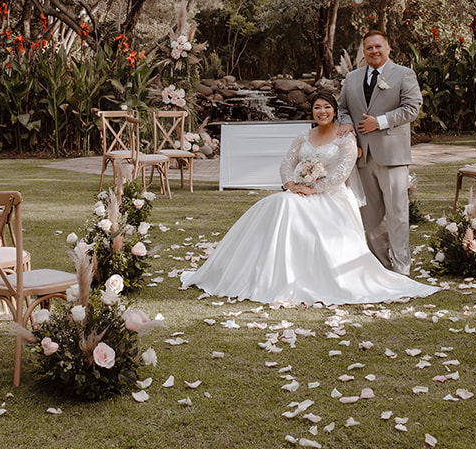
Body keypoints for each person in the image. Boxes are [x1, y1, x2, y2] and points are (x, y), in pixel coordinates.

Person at [180, 92, 436, 305]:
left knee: (288, 206)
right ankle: (263, 273)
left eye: (326, 107)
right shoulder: (303, 136)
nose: (321, 111)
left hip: (330, 196)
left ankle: (294, 275)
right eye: (317, 107)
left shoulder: (345, 137)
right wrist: (291, 183)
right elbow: (287, 163)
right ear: (312, 112)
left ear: (334, 111)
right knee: (277, 203)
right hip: (298, 192)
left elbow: (342, 171)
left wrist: (315, 188)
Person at [339, 29, 423, 274]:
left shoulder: (404, 74)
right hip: (362, 156)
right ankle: (381, 268)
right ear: (363, 52)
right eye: (369, 48)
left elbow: (413, 107)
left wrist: (380, 122)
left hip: (392, 155)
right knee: (371, 217)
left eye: (378, 46)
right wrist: (346, 123)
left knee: (397, 213)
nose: (374, 51)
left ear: (388, 48)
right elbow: (342, 108)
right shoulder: (352, 78)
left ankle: (401, 268)